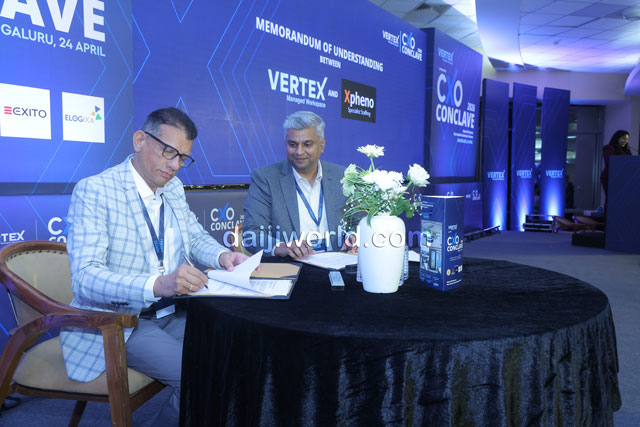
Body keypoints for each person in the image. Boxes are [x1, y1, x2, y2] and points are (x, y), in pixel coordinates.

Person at [60, 107, 248, 425]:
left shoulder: (172, 188)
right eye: (168, 152)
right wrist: (157, 285)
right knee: (201, 377)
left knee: (238, 351)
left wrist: (222, 257)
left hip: (173, 313)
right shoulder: (95, 191)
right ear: (139, 140)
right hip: (121, 323)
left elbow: (194, 236)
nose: (175, 165)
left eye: (183, 158)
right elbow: (85, 278)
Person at [242, 111, 349, 259]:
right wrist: (280, 246)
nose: (299, 152)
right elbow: (251, 234)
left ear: (322, 145)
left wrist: (354, 236)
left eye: (307, 144)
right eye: (292, 144)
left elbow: (358, 222)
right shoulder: (265, 178)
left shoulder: (342, 176)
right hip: (293, 266)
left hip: (338, 264)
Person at [600, 130, 632, 213]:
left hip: (622, 179)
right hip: (609, 177)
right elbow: (610, 161)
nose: (625, 141)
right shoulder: (608, 148)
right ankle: (608, 218)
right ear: (617, 138)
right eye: (623, 138)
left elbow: (630, 162)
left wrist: (627, 151)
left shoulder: (625, 150)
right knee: (611, 199)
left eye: (627, 139)